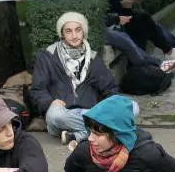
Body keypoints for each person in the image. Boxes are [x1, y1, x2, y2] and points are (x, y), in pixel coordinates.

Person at [29, 11, 137, 149]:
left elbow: (110, 89)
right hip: (62, 114)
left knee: (133, 107)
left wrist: (112, 105)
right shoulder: (47, 57)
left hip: (90, 112)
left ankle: (78, 135)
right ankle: (109, 129)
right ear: (62, 34)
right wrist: (49, 102)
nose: (74, 35)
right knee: (55, 114)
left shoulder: (93, 58)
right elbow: (37, 90)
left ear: (83, 31)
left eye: (78, 30)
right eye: (68, 31)